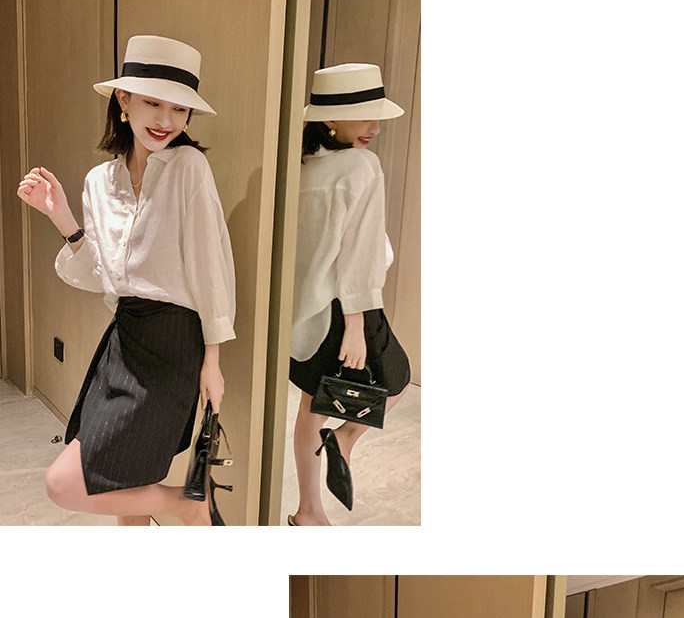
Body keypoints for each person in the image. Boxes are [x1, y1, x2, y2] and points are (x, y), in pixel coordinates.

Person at [17, 34, 236, 527]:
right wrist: (61, 218)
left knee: (67, 482)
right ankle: (186, 508)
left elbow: (211, 267)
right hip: (124, 337)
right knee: (121, 478)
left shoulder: (189, 168)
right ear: (124, 100)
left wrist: (213, 359)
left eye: (179, 109)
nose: (165, 120)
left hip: (175, 341)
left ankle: (186, 504)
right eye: (153, 103)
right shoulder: (100, 181)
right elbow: (102, 277)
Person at [288, 59, 410, 525]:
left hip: (306, 308)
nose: (374, 128)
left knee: (311, 406)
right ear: (330, 119)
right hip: (349, 305)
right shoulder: (361, 165)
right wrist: (356, 326)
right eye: (364, 116)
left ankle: (308, 511)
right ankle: (343, 439)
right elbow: (359, 253)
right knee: (397, 379)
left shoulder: (300, 165)